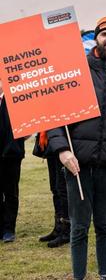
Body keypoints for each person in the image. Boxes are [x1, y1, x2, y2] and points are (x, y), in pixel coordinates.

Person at [48, 16, 106, 280]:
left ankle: (105, 275)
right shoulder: (76, 71)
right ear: (96, 39)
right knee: (79, 227)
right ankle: (79, 276)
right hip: (77, 164)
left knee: (104, 225)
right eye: (104, 34)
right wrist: (62, 150)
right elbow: (55, 115)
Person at [34, 132, 70, 248]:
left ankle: (66, 230)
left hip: (61, 146)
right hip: (50, 146)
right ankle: (58, 228)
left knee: (62, 189)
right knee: (55, 188)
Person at [0, 78, 25, 243]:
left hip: (11, 154)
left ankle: (9, 228)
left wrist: (16, 143)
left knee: (10, 192)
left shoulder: (16, 98)